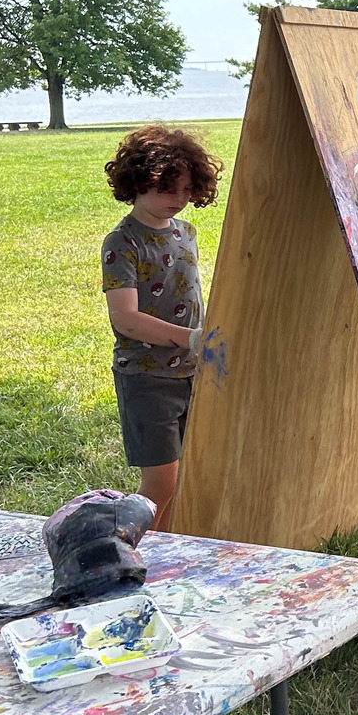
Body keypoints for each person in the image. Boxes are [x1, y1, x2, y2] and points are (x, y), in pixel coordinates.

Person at [100, 125, 222, 531]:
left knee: (188, 476)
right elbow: (125, 318)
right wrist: (187, 338)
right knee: (160, 483)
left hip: (192, 372)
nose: (179, 200)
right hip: (148, 376)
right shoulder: (123, 242)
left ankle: (169, 548)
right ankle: (133, 552)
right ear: (136, 182)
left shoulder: (185, 232)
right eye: (168, 189)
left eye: (187, 191)